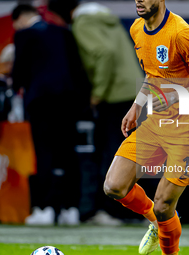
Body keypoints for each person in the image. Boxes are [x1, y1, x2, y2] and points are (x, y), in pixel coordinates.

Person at [99, 0, 189, 254]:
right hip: (158, 122)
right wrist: (137, 105)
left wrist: (176, 95)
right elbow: (153, 73)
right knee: (114, 186)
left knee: (164, 205)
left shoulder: (180, 32)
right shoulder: (137, 29)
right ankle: (156, 224)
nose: (139, 0)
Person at [47, 0, 144, 224]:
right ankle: (133, 211)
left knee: (112, 154)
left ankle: (110, 211)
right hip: (134, 90)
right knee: (132, 154)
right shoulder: (106, 18)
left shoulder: (83, 22)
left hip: (115, 94)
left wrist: (97, 94)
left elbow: (104, 53)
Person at [11, 4, 90, 225]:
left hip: (41, 102)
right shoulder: (64, 32)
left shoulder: (24, 34)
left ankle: (45, 209)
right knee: (68, 153)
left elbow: (19, 72)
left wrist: (16, 87)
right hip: (68, 101)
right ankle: (71, 209)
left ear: (18, 19)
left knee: (44, 153)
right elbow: (77, 68)